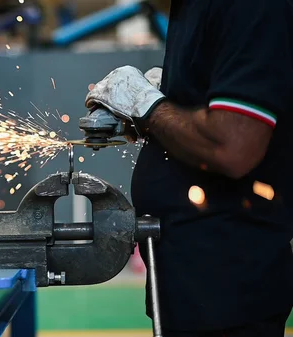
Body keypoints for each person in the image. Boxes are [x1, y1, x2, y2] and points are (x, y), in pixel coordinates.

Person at [85, 1, 293, 336]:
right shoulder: (189, 8)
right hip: (190, 282)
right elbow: (203, 113)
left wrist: (147, 107)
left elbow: (233, 146)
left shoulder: (249, 8)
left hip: (226, 290)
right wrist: (162, 107)